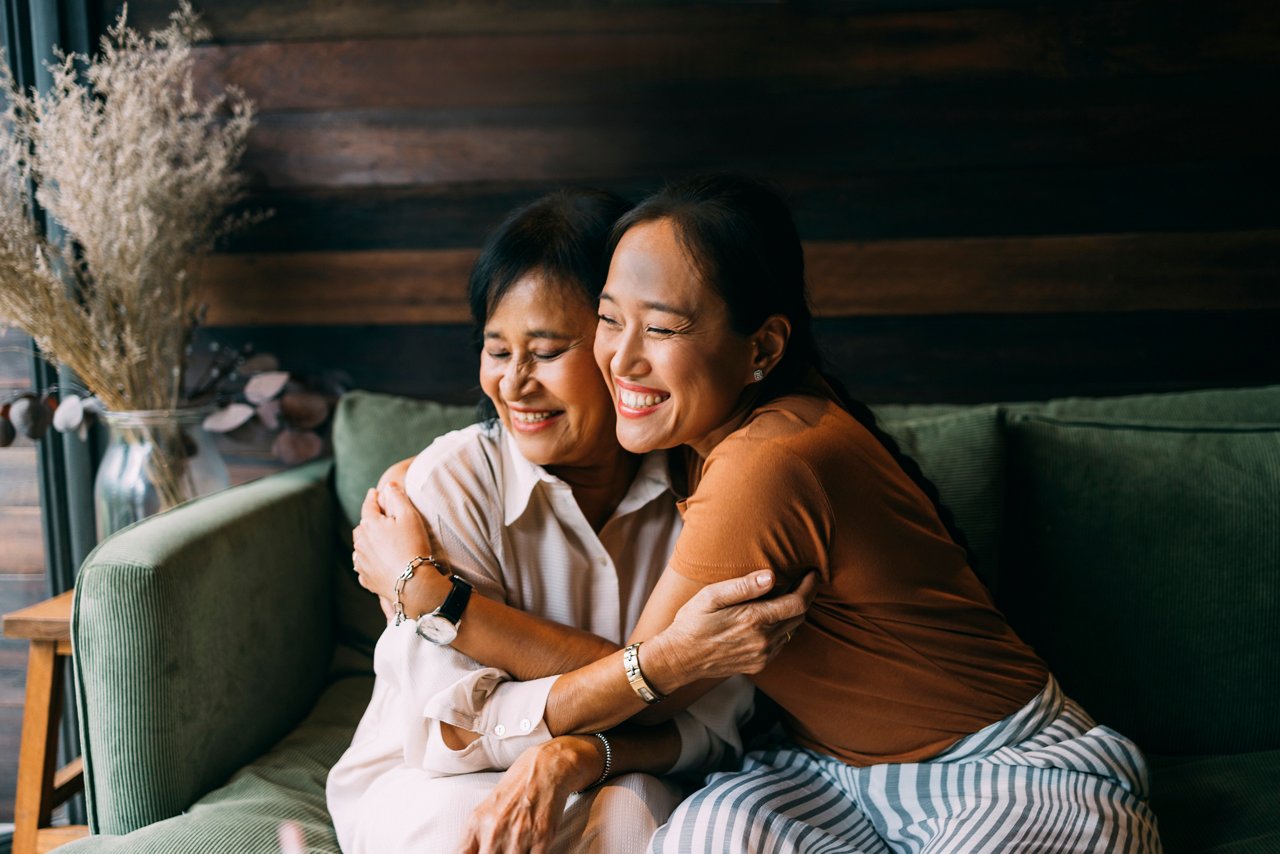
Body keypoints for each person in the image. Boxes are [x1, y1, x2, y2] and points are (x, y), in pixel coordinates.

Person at [375, 174, 1162, 852]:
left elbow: (638, 675)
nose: (623, 358)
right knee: (704, 834)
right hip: (830, 772)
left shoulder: (766, 462)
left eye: (664, 327)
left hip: (994, 767)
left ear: (762, 347)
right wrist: (423, 474)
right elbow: (647, 666)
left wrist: (434, 598)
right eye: (609, 320)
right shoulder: (691, 430)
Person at [327, 189, 809, 853]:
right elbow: (461, 730)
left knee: (635, 818)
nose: (514, 385)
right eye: (497, 351)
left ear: (621, 345)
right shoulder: (447, 485)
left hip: (625, 773)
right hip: (431, 780)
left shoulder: (715, 485)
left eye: (548, 352)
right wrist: (662, 670)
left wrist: (577, 753)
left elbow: (708, 729)